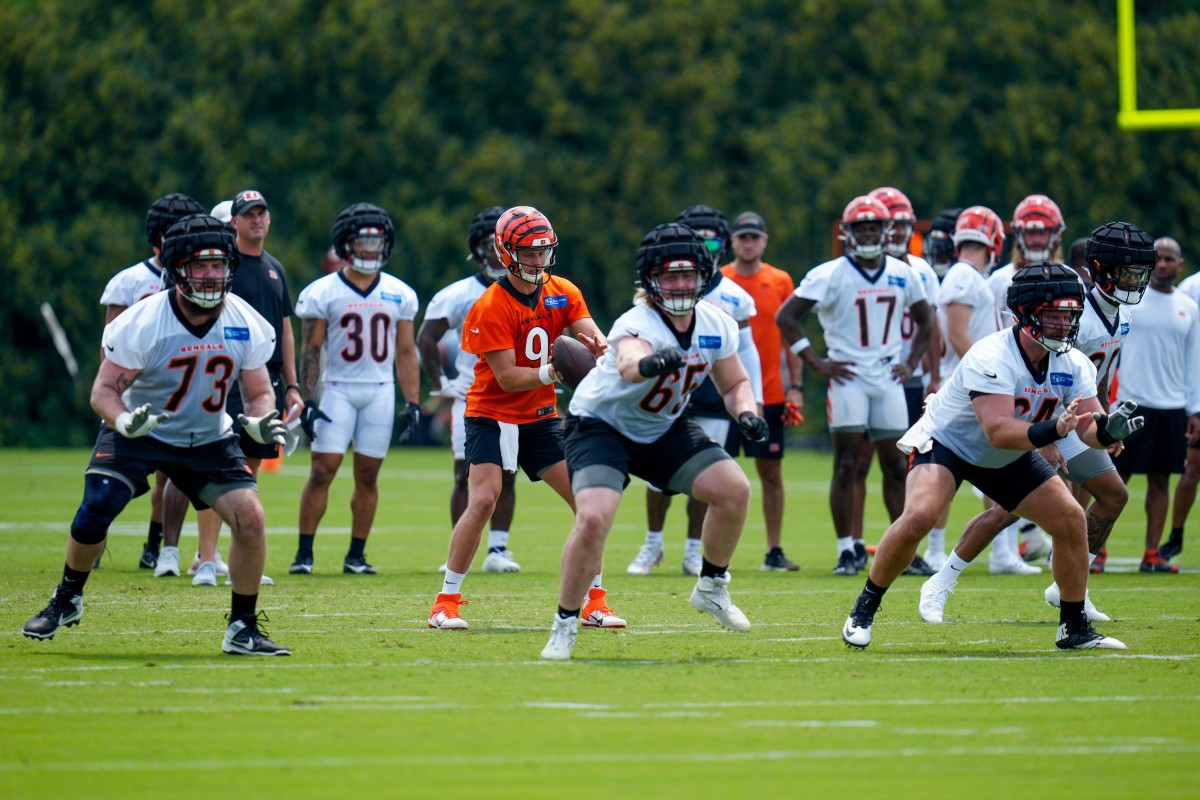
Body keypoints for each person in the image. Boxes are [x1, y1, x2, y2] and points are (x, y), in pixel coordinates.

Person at [22, 214, 290, 655]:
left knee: (251, 518)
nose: (211, 275)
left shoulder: (244, 320)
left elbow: (259, 391)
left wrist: (263, 417)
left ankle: (242, 628)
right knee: (97, 506)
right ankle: (67, 598)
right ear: (177, 267)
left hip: (207, 436)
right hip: (143, 428)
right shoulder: (145, 320)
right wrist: (123, 420)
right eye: (200, 265)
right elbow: (104, 391)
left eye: (219, 264)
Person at [841, 263, 1135, 652]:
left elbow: (1088, 426)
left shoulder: (1073, 362)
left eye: (1070, 316)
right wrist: (1053, 431)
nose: (1064, 325)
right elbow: (997, 429)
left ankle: (1073, 627)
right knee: (920, 515)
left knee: (1069, 520)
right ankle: (865, 607)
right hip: (951, 443)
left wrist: (1108, 431)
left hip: (1007, 454)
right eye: (1054, 316)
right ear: (1026, 314)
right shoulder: (993, 354)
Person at [540, 223, 768, 659]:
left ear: (704, 274)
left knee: (734, 490)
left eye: (687, 274)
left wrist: (747, 414)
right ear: (651, 280)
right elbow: (628, 361)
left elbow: (735, 380)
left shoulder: (717, 322)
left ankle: (712, 586)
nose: (680, 284)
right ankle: (565, 622)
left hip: (663, 426)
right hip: (602, 426)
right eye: (670, 275)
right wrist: (650, 364)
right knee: (593, 519)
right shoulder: (637, 322)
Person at [919, 224, 1156, 624]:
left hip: (1077, 418)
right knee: (1013, 508)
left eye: (1137, 273)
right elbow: (1030, 367)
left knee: (1112, 496)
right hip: (1041, 418)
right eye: (1124, 272)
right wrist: (1043, 435)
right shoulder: (1068, 310)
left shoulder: (1124, 316)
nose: (1132, 281)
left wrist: (1106, 424)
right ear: (1098, 270)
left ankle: (1071, 587)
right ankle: (943, 579)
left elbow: (1089, 378)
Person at [427, 206, 615, 631]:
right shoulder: (490, 305)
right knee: (483, 499)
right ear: (506, 253)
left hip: (541, 418)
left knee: (587, 502)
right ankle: (446, 602)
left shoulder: (563, 290)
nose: (538, 260)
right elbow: (509, 378)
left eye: (543, 251)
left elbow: (590, 335)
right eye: (529, 253)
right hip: (491, 414)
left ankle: (595, 601)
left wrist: (601, 350)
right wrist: (555, 371)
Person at [776, 195, 934, 577]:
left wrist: (910, 363)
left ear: (885, 231)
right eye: (860, 227)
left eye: (873, 227)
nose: (867, 233)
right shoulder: (829, 273)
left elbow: (927, 321)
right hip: (848, 380)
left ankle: (904, 548)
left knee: (897, 465)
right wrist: (815, 362)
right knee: (847, 464)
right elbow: (786, 317)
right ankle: (847, 549)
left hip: (886, 378)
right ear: (848, 232)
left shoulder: (904, 272)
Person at [156, 190, 302, 586]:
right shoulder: (223, 266)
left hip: (263, 383)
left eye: (262, 212)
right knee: (214, 468)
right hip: (224, 379)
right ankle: (204, 558)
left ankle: (234, 558)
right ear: (233, 222)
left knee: (246, 471)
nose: (257, 219)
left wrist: (293, 384)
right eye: (248, 214)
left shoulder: (274, 268)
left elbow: (285, 330)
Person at [627, 204, 764, 577]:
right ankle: (653, 545)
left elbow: (744, 357)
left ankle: (692, 550)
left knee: (710, 478)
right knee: (658, 480)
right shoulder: (651, 303)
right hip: (666, 395)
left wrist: (754, 403)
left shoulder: (732, 300)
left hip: (712, 396)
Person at [288, 203, 420, 575]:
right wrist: (308, 399)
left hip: (379, 389)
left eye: (376, 243)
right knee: (322, 470)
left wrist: (412, 402)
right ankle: (304, 553)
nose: (369, 250)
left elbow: (406, 351)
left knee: (368, 475)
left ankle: (356, 555)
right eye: (362, 242)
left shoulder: (400, 293)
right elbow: (310, 349)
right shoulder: (323, 291)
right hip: (338, 388)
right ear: (346, 244)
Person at [99, 192, 205, 571]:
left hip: (181, 392)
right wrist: (115, 396)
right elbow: (109, 342)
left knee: (169, 476)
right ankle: (95, 539)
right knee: (114, 480)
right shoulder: (130, 281)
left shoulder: (203, 278)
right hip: (136, 392)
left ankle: (154, 543)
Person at [416, 206, 520, 573]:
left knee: (509, 473)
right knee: (466, 473)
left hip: (518, 394)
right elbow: (426, 339)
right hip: (472, 396)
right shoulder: (459, 294)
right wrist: (441, 385)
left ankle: (498, 549)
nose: (498, 251)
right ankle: (457, 551)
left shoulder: (532, 288)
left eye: (504, 243)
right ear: (478, 249)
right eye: (491, 244)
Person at [977, 195, 1068, 576]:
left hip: (1052, 383)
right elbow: (989, 337)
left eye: (1043, 230)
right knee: (997, 466)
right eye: (1029, 231)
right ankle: (1002, 551)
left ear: (1056, 233)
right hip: (1007, 384)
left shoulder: (1069, 277)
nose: (1035, 238)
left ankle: (1050, 542)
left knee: (1058, 466)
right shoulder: (999, 279)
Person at [719, 211, 805, 571]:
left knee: (771, 474)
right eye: (743, 237)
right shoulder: (719, 279)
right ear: (733, 241)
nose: (748, 243)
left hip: (768, 393)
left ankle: (773, 550)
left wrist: (795, 387)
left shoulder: (781, 280)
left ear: (765, 241)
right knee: (715, 471)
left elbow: (791, 338)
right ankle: (702, 549)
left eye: (755, 236)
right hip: (723, 394)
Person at [1112, 235, 1200, 573]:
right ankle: (1097, 550)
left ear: (1180, 265)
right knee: (1115, 480)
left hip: (1173, 408)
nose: (1163, 264)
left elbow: (1192, 363)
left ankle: (1152, 554)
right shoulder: (1130, 301)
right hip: (1132, 405)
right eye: (1158, 258)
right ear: (1149, 263)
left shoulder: (1189, 308)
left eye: (1170, 259)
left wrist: (1194, 410)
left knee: (1161, 481)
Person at [1167, 239, 1200, 562]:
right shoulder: (1192, 288)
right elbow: (1190, 353)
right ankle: (1176, 534)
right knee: (1192, 470)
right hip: (1194, 393)